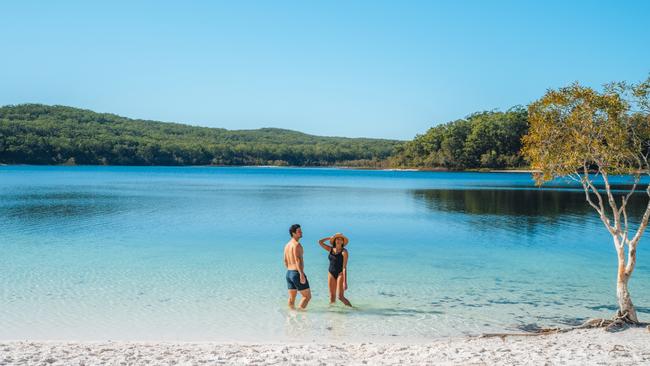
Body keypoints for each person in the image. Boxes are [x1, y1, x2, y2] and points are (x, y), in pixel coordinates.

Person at [318, 233, 352, 307]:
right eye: (337, 239)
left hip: (340, 273)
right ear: (334, 241)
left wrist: (345, 282)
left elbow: (344, 267)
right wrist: (330, 238)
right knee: (332, 297)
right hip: (331, 273)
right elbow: (320, 242)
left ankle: (352, 309)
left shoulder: (344, 252)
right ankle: (332, 314)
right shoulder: (330, 249)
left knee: (340, 297)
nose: (338, 241)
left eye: (340, 239)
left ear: (343, 242)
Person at [284, 224, 311, 310]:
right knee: (307, 297)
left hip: (289, 273)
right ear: (293, 233)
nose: (301, 232)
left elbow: (285, 260)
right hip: (296, 273)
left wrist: (291, 272)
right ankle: (299, 314)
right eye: (299, 231)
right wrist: (301, 274)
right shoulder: (297, 245)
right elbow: (298, 260)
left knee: (292, 298)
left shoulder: (287, 245)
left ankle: (291, 316)